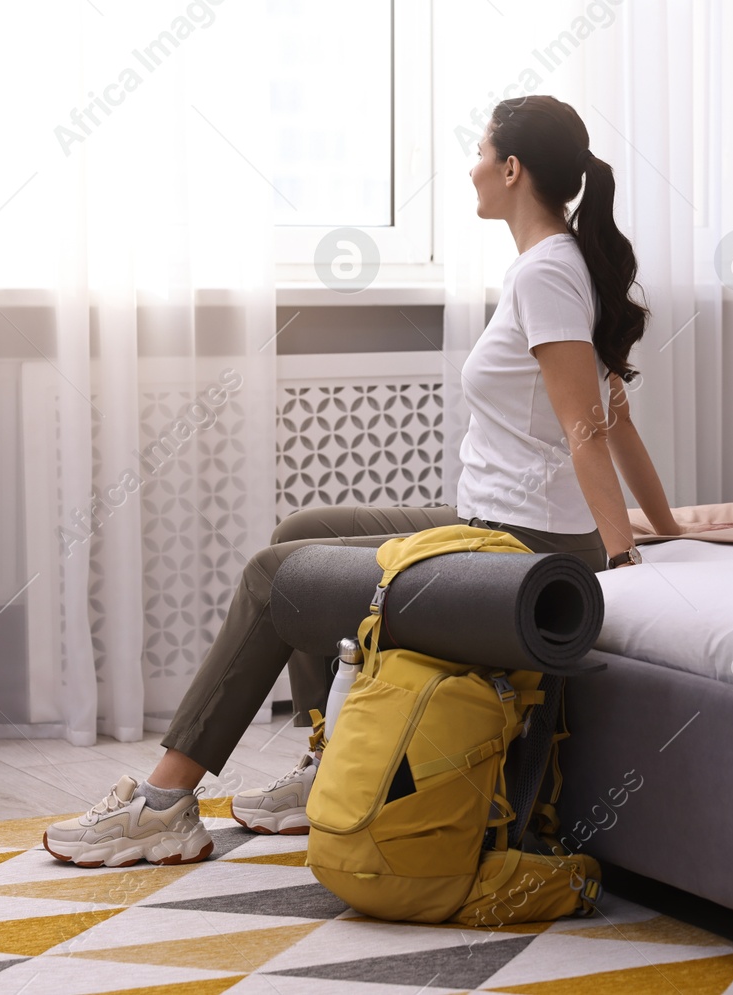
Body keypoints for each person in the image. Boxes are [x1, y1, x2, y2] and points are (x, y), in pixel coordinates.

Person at [44, 95, 682, 867]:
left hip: (516, 550)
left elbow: (587, 430)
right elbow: (618, 421)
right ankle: (331, 770)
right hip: (491, 527)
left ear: (512, 169)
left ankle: (164, 804)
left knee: (273, 578)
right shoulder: (558, 266)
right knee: (301, 534)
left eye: (481, 151)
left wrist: (620, 559)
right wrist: (670, 530)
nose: (473, 167)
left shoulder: (548, 274)